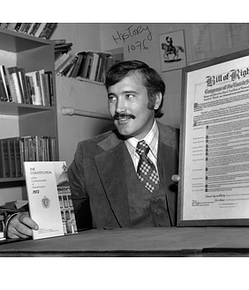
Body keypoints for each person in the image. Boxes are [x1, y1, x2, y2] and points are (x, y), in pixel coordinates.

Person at [6, 60, 180, 239]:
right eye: (112, 97)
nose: (118, 108)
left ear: (156, 100)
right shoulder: (89, 153)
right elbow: (52, 205)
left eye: (129, 96)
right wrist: (15, 220)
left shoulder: (188, 145)